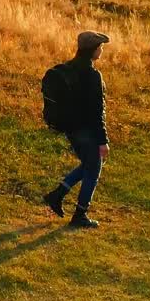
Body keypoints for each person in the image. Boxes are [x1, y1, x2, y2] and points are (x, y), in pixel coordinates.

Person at [44, 31, 110, 228]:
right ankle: (80, 214)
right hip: (86, 130)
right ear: (93, 50)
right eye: (100, 47)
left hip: (70, 128)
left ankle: (57, 195)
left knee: (88, 165)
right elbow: (97, 111)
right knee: (94, 169)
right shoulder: (92, 75)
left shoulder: (68, 69)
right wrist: (102, 140)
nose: (102, 50)